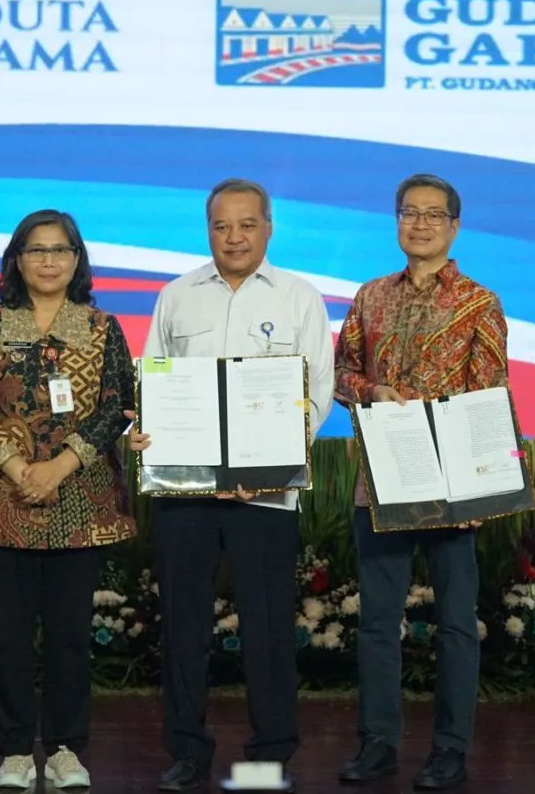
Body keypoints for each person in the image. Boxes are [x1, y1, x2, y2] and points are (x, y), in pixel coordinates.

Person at [125, 178, 334, 792]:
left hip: (266, 496)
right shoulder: (177, 296)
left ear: (269, 228)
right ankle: (187, 750)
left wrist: (266, 465)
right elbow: (154, 381)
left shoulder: (299, 297)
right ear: (208, 230)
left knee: (268, 628)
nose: (234, 236)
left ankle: (270, 753)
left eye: (247, 224)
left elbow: (316, 391)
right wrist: (147, 430)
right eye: (222, 226)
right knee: (184, 625)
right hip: (185, 493)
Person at [0, 209, 136, 790]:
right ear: (16, 260)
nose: (49, 260)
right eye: (36, 250)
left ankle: (64, 749)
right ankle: (13, 752)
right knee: (5, 635)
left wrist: (60, 464)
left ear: (77, 260)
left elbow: (117, 404)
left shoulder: (102, 327)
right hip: (2, 499)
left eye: (61, 250)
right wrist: (15, 464)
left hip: (80, 500)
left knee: (70, 634)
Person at [332, 173, 505, 791]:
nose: (421, 223)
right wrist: (368, 390)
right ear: (397, 221)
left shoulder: (478, 302)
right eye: (410, 212)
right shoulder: (371, 296)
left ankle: (451, 748)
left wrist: (486, 484)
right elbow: (341, 369)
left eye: (435, 215)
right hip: (381, 481)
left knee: (457, 624)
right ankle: (378, 742)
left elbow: (490, 394)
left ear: (454, 226)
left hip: (454, 482)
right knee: (379, 621)